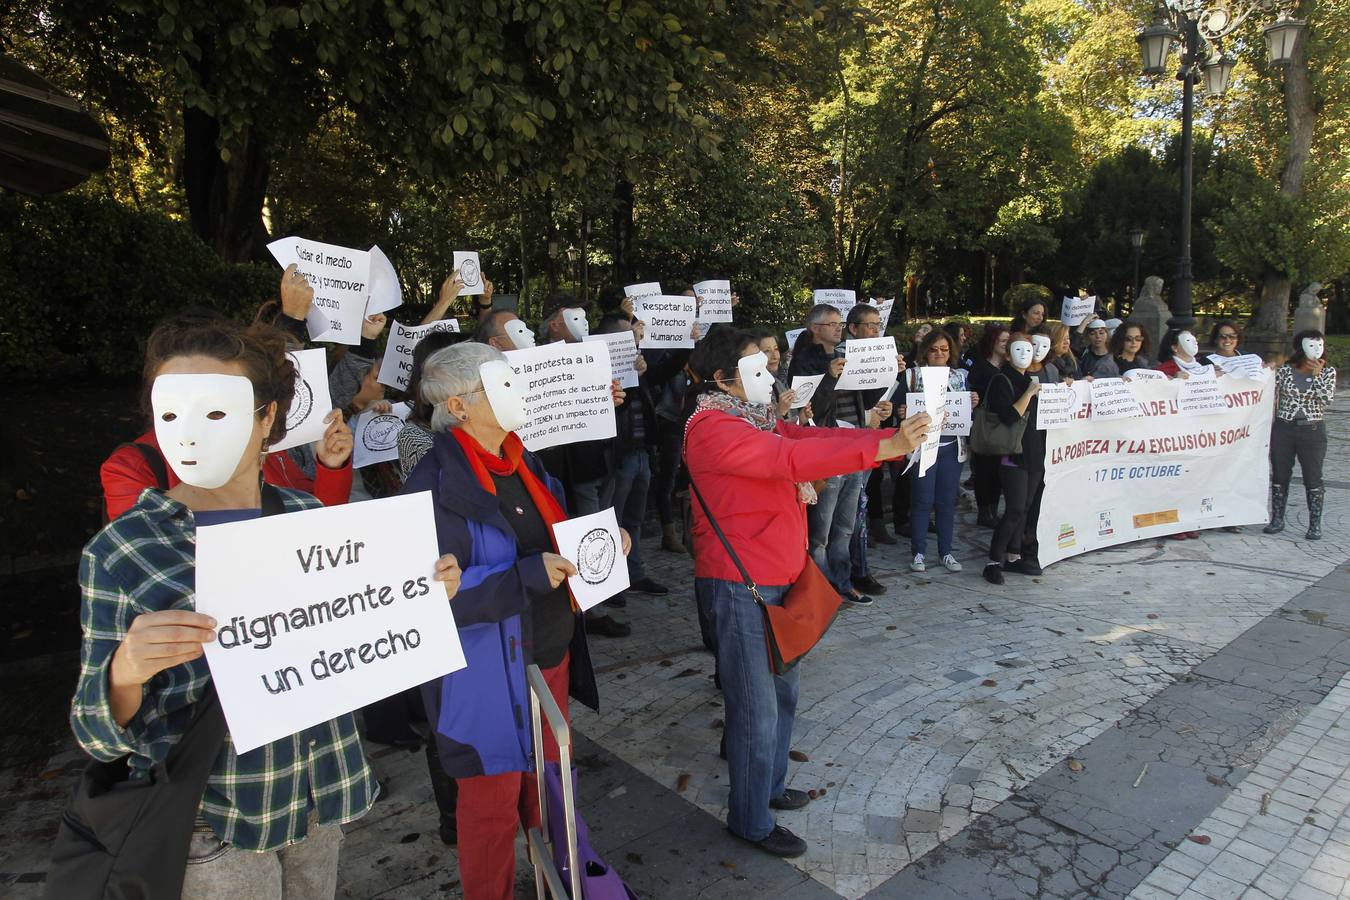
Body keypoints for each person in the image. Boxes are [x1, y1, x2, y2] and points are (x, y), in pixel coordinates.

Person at [73, 318, 460, 896]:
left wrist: (416, 597)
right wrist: (125, 671)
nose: (189, 434)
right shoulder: (123, 548)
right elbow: (96, 733)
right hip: (216, 819)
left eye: (215, 412)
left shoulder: (307, 518)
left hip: (319, 799)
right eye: (171, 413)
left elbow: (351, 650)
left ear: (266, 419)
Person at [683, 328, 929, 858]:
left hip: (779, 572)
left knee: (782, 693)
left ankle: (768, 787)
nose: (770, 376)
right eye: (755, 367)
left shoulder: (756, 421)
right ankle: (750, 819)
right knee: (756, 709)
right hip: (739, 582)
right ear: (723, 378)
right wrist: (885, 447)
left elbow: (808, 443)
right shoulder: (710, 428)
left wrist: (875, 443)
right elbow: (789, 462)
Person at [402, 341, 621, 899]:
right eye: (502, 383)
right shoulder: (431, 489)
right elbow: (425, 600)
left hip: (547, 656)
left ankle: (571, 878)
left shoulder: (526, 461)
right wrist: (523, 577)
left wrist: (600, 546)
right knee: (491, 808)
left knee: (551, 785)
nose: (520, 392)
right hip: (484, 679)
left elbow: (556, 539)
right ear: (458, 407)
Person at [788, 304, 874, 605]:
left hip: (852, 446)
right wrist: (829, 377)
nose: (839, 328)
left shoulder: (844, 356)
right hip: (826, 451)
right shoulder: (803, 363)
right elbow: (809, 414)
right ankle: (821, 588)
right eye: (833, 323)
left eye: (841, 323)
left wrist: (887, 374)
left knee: (845, 524)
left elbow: (868, 397)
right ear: (815, 329)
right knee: (821, 529)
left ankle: (843, 581)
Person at [596, 314, 668, 596]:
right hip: (618, 457)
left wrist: (639, 376)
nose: (636, 340)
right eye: (629, 336)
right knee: (612, 518)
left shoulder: (637, 368)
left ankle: (634, 573)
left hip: (641, 453)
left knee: (634, 519)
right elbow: (616, 413)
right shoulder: (599, 373)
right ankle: (610, 583)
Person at [906, 329, 977, 574]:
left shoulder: (959, 376)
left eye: (944, 349)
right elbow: (897, 406)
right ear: (925, 350)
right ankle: (918, 552)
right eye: (934, 349)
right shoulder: (912, 376)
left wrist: (972, 402)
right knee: (922, 500)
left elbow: (966, 410)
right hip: (923, 446)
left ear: (951, 352)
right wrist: (900, 410)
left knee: (946, 502)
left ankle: (946, 552)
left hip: (951, 446)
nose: (939, 354)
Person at [983, 333, 1044, 584]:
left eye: (1029, 349)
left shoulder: (1032, 379)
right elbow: (1009, 416)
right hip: (1013, 455)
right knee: (1015, 508)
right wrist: (1029, 394)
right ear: (1007, 354)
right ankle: (993, 561)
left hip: (1035, 453)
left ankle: (1014, 555)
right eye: (1018, 349)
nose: (1024, 354)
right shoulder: (1002, 380)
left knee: (1026, 508)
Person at [1266, 330, 1336, 540]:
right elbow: (1268, 390)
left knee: (1313, 476)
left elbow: (1326, 399)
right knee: (1280, 473)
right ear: (1300, 347)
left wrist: (1317, 377)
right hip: (1284, 427)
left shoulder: (1328, 372)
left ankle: (1314, 524)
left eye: (1320, 345)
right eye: (1311, 345)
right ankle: (1277, 518)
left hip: (1312, 429)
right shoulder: (1286, 371)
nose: (1316, 350)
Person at [966, 324, 1009, 528]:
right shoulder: (981, 367)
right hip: (986, 424)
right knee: (985, 470)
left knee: (1000, 471)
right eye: (1003, 341)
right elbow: (973, 393)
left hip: (1004, 425)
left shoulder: (1009, 367)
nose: (1007, 345)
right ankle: (984, 511)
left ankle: (993, 508)